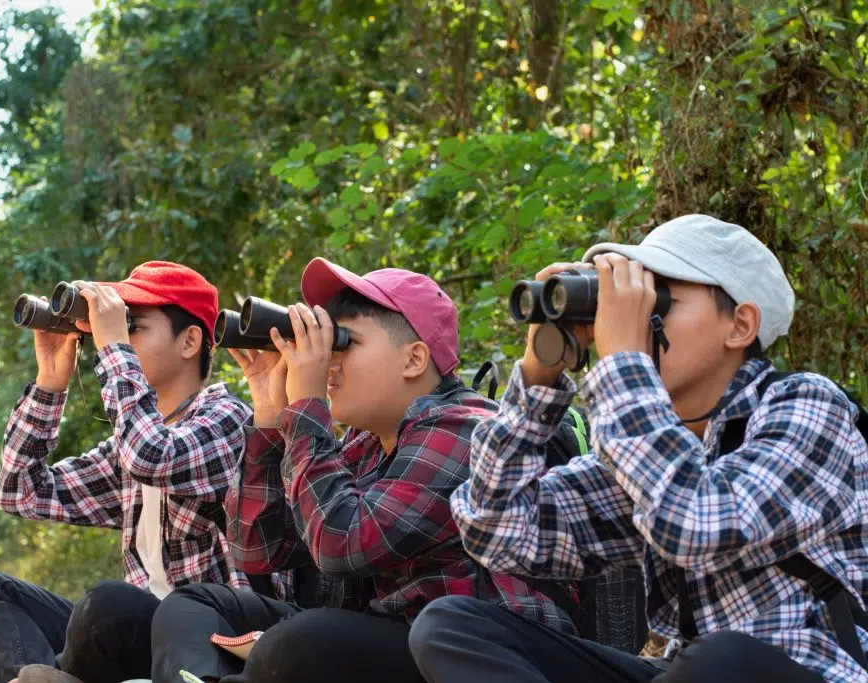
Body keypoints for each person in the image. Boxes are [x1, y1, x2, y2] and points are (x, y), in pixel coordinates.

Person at [408, 214, 868, 683]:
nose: (636, 320)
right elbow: (497, 531)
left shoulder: (807, 405)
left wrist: (624, 364)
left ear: (740, 325)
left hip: (800, 668)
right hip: (687, 671)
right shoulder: (649, 445)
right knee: (451, 627)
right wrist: (539, 374)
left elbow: (696, 525)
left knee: (720, 659)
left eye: (659, 300)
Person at [148, 258, 578, 683]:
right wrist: (268, 415)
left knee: (304, 639)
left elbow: (343, 544)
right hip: (396, 641)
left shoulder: (465, 429)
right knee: (194, 605)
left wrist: (307, 410)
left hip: (468, 654)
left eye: (344, 343)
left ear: (414, 359)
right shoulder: (365, 445)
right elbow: (258, 551)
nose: (329, 364)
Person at [0, 262, 253, 683]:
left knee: (109, 603)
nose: (112, 339)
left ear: (189, 341)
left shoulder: (228, 420)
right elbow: (18, 492)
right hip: (140, 640)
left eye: (133, 326)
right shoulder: (125, 449)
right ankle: (35, 676)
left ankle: (17, 677)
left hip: (205, 640)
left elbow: (151, 456)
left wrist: (114, 347)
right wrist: (50, 382)